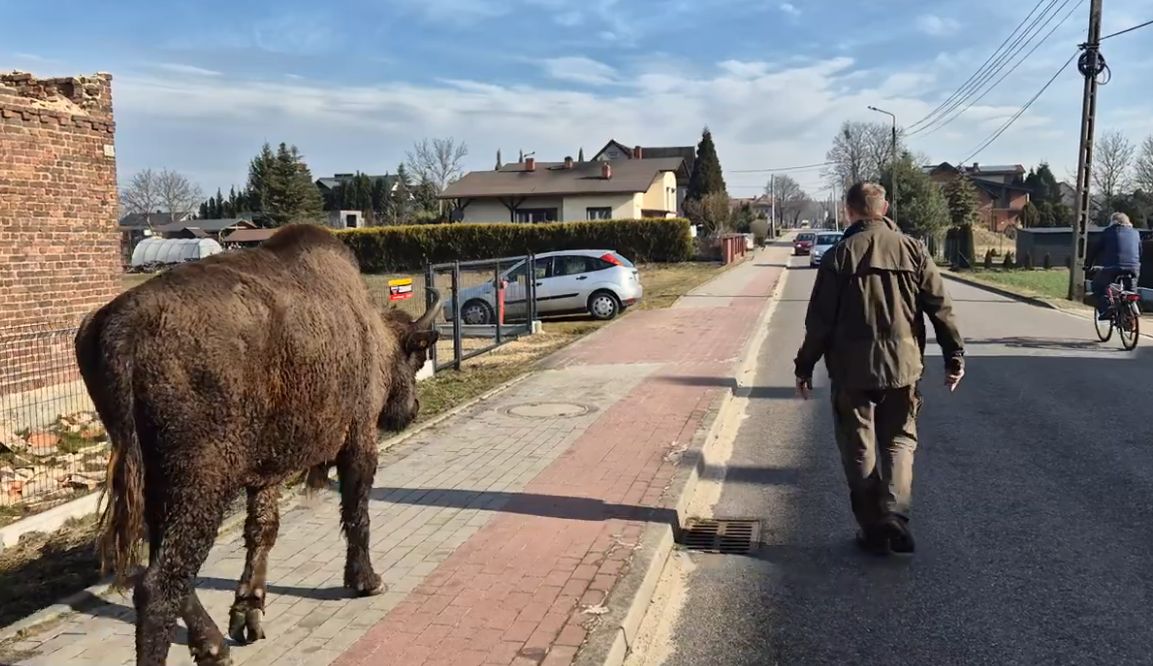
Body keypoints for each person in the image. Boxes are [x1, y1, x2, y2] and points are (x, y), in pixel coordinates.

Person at [794, 182, 965, 556]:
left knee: (859, 445)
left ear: (848, 211)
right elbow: (941, 308)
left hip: (851, 370)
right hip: (903, 368)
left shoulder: (839, 256)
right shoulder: (914, 250)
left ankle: (873, 525)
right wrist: (954, 356)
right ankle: (895, 514)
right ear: (884, 208)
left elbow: (819, 323)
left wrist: (804, 366)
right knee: (900, 440)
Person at [1085, 212, 1142, 320]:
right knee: (1131, 291)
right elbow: (1140, 251)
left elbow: (1095, 250)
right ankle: (1131, 312)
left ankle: (1106, 310)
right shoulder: (1136, 233)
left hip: (1112, 268)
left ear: (1113, 222)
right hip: (1133, 268)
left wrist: (1088, 265)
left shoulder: (1107, 232)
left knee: (1097, 286)